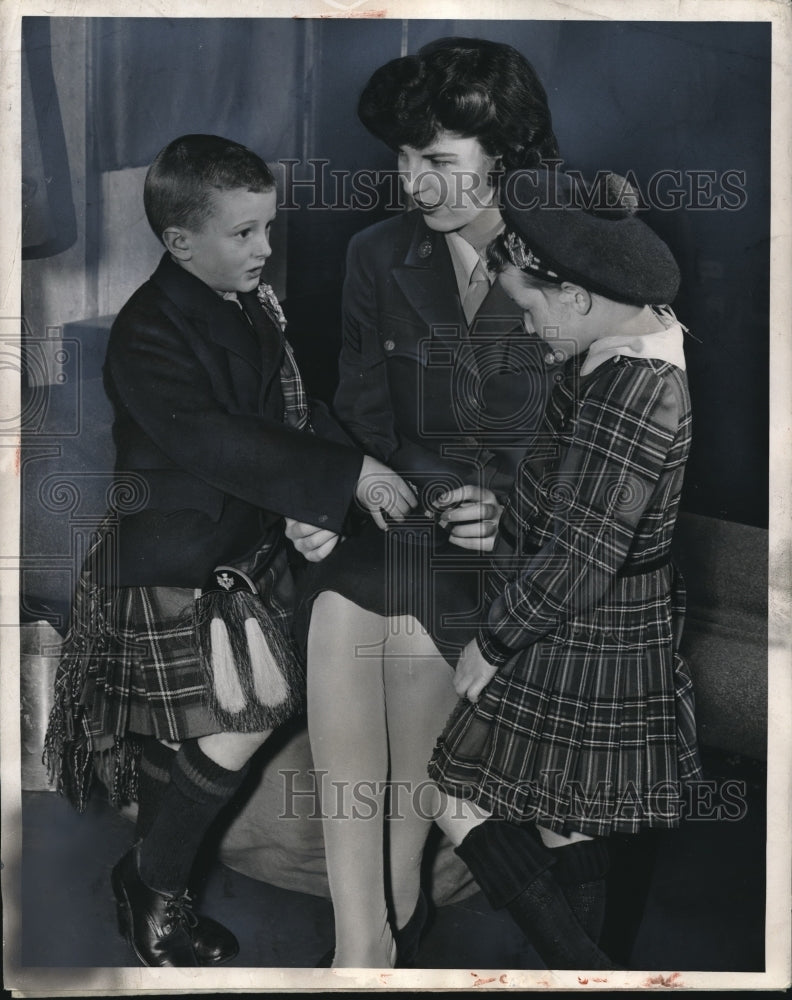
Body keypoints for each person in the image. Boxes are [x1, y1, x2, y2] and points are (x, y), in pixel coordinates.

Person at [43, 133, 415, 968]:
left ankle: (154, 877)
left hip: (239, 545)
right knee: (245, 723)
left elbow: (287, 408)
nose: (267, 248)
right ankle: (155, 887)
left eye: (268, 227)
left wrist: (333, 489)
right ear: (181, 243)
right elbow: (215, 441)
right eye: (245, 233)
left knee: (250, 717)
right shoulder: (149, 330)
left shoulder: (246, 303)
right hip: (177, 558)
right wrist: (344, 476)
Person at [286, 38, 562, 968]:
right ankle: (360, 937)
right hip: (413, 517)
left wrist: (511, 503)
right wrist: (378, 488)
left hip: (537, 546)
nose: (412, 182)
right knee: (335, 612)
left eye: (437, 161)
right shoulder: (377, 255)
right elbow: (359, 410)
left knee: (404, 634)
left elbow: (617, 435)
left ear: (506, 157)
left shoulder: (575, 253)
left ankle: (399, 892)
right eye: (402, 159)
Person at [426, 167, 704, 969]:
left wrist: (495, 643)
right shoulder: (626, 345)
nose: (530, 323)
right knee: (564, 820)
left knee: (459, 795)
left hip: (589, 624)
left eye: (532, 304)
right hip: (592, 614)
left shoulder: (639, 385)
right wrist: (507, 519)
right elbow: (576, 497)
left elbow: (587, 552)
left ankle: (586, 973)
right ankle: (590, 972)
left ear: (578, 294)